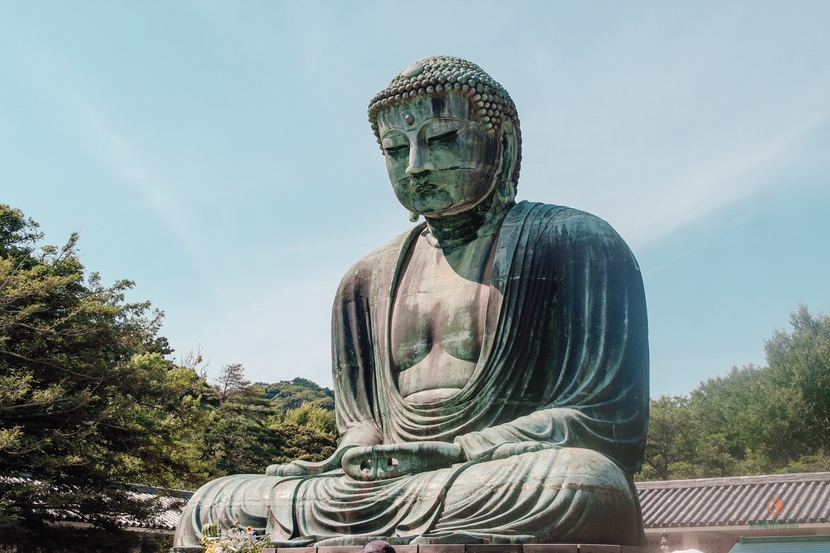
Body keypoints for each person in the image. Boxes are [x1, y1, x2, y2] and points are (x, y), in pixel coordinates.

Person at [174, 55, 649, 548]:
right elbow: (362, 422)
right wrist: (354, 451)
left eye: (441, 139)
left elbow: (606, 422)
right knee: (213, 503)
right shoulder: (362, 281)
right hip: (384, 487)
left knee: (584, 483)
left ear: (502, 143)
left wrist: (457, 451)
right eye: (396, 149)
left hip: (494, 476)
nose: (416, 166)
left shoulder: (575, 243)